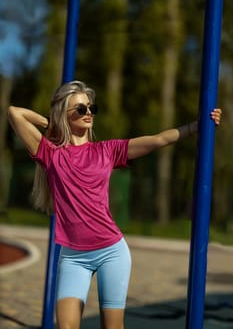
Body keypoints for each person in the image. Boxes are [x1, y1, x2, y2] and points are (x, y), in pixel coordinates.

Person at [8, 80, 222, 329]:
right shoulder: (51, 154)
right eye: (80, 109)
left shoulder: (107, 151)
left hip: (111, 251)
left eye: (91, 108)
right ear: (63, 114)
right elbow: (15, 112)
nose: (88, 113)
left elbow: (159, 139)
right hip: (73, 256)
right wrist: (52, 123)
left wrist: (198, 126)